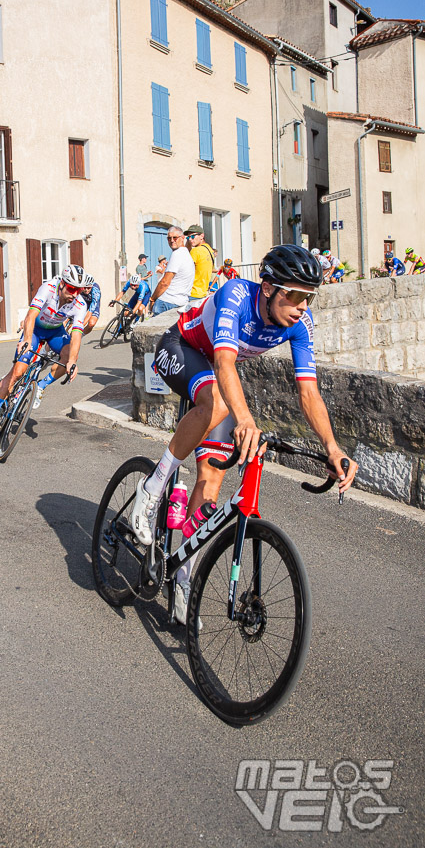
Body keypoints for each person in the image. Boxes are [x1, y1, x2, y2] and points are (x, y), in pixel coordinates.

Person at [129, 244, 358, 624]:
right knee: (218, 404)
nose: (303, 305)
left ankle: (183, 574)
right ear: (268, 289)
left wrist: (332, 448)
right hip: (179, 347)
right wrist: (246, 420)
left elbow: (308, 391)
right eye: (296, 295)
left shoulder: (301, 323)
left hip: (212, 375)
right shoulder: (236, 295)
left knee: (212, 479)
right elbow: (223, 362)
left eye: (310, 297)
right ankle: (152, 488)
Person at [0, 264, 87, 428]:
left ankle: (40, 386)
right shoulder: (48, 288)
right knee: (17, 372)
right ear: (62, 284)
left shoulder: (80, 304)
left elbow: (76, 335)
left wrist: (72, 361)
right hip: (35, 330)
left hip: (55, 332)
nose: (75, 295)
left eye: (79, 291)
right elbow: (31, 315)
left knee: (70, 356)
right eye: (72, 289)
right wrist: (26, 339)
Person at [146, 227, 195, 316]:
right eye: (169, 238)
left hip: (167, 302)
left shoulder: (177, 254)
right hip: (181, 302)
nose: (172, 240)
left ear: (182, 237)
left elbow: (165, 282)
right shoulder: (186, 254)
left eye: (175, 238)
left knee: (157, 329)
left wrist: (152, 299)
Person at [185, 225, 216, 305]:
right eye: (188, 238)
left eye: (193, 236)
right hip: (203, 293)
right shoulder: (210, 250)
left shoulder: (196, 251)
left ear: (202, 236)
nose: (190, 240)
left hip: (192, 293)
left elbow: (183, 268)